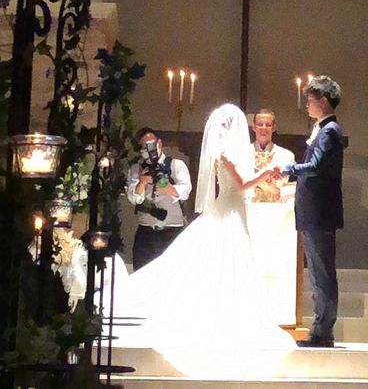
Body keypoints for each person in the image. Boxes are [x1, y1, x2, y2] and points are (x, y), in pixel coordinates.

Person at [112, 104, 295, 374]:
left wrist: (267, 177)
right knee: (228, 260)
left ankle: (231, 316)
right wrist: (267, 174)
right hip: (230, 211)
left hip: (235, 210)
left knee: (232, 264)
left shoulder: (230, 152)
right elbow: (242, 184)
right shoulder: (224, 153)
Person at [280, 75, 344, 348]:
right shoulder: (323, 129)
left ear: (324, 101)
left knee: (322, 274)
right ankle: (320, 328)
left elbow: (316, 166)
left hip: (320, 211)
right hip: (314, 211)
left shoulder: (329, 131)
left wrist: (288, 169)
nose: (307, 105)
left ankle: (323, 330)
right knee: (318, 274)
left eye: (310, 100)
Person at [127, 127, 192, 270]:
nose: (148, 150)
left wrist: (165, 184)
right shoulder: (137, 169)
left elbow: (185, 191)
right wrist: (142, 182)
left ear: (159, 143)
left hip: (171, 230)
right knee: (142, 273)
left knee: (172, 275)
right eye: (143, 147)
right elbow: (134, 199)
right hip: (146, 232)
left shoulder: (176, 165)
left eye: (151, 145)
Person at [251, 109, 296, 202]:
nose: (263, 127)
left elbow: (290, 186)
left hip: (276, 205)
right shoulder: (243, 153)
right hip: (249, 204)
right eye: (260, 124)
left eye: (268, 124)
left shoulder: (287, 155)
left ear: (274, 127)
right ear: (253, 127)